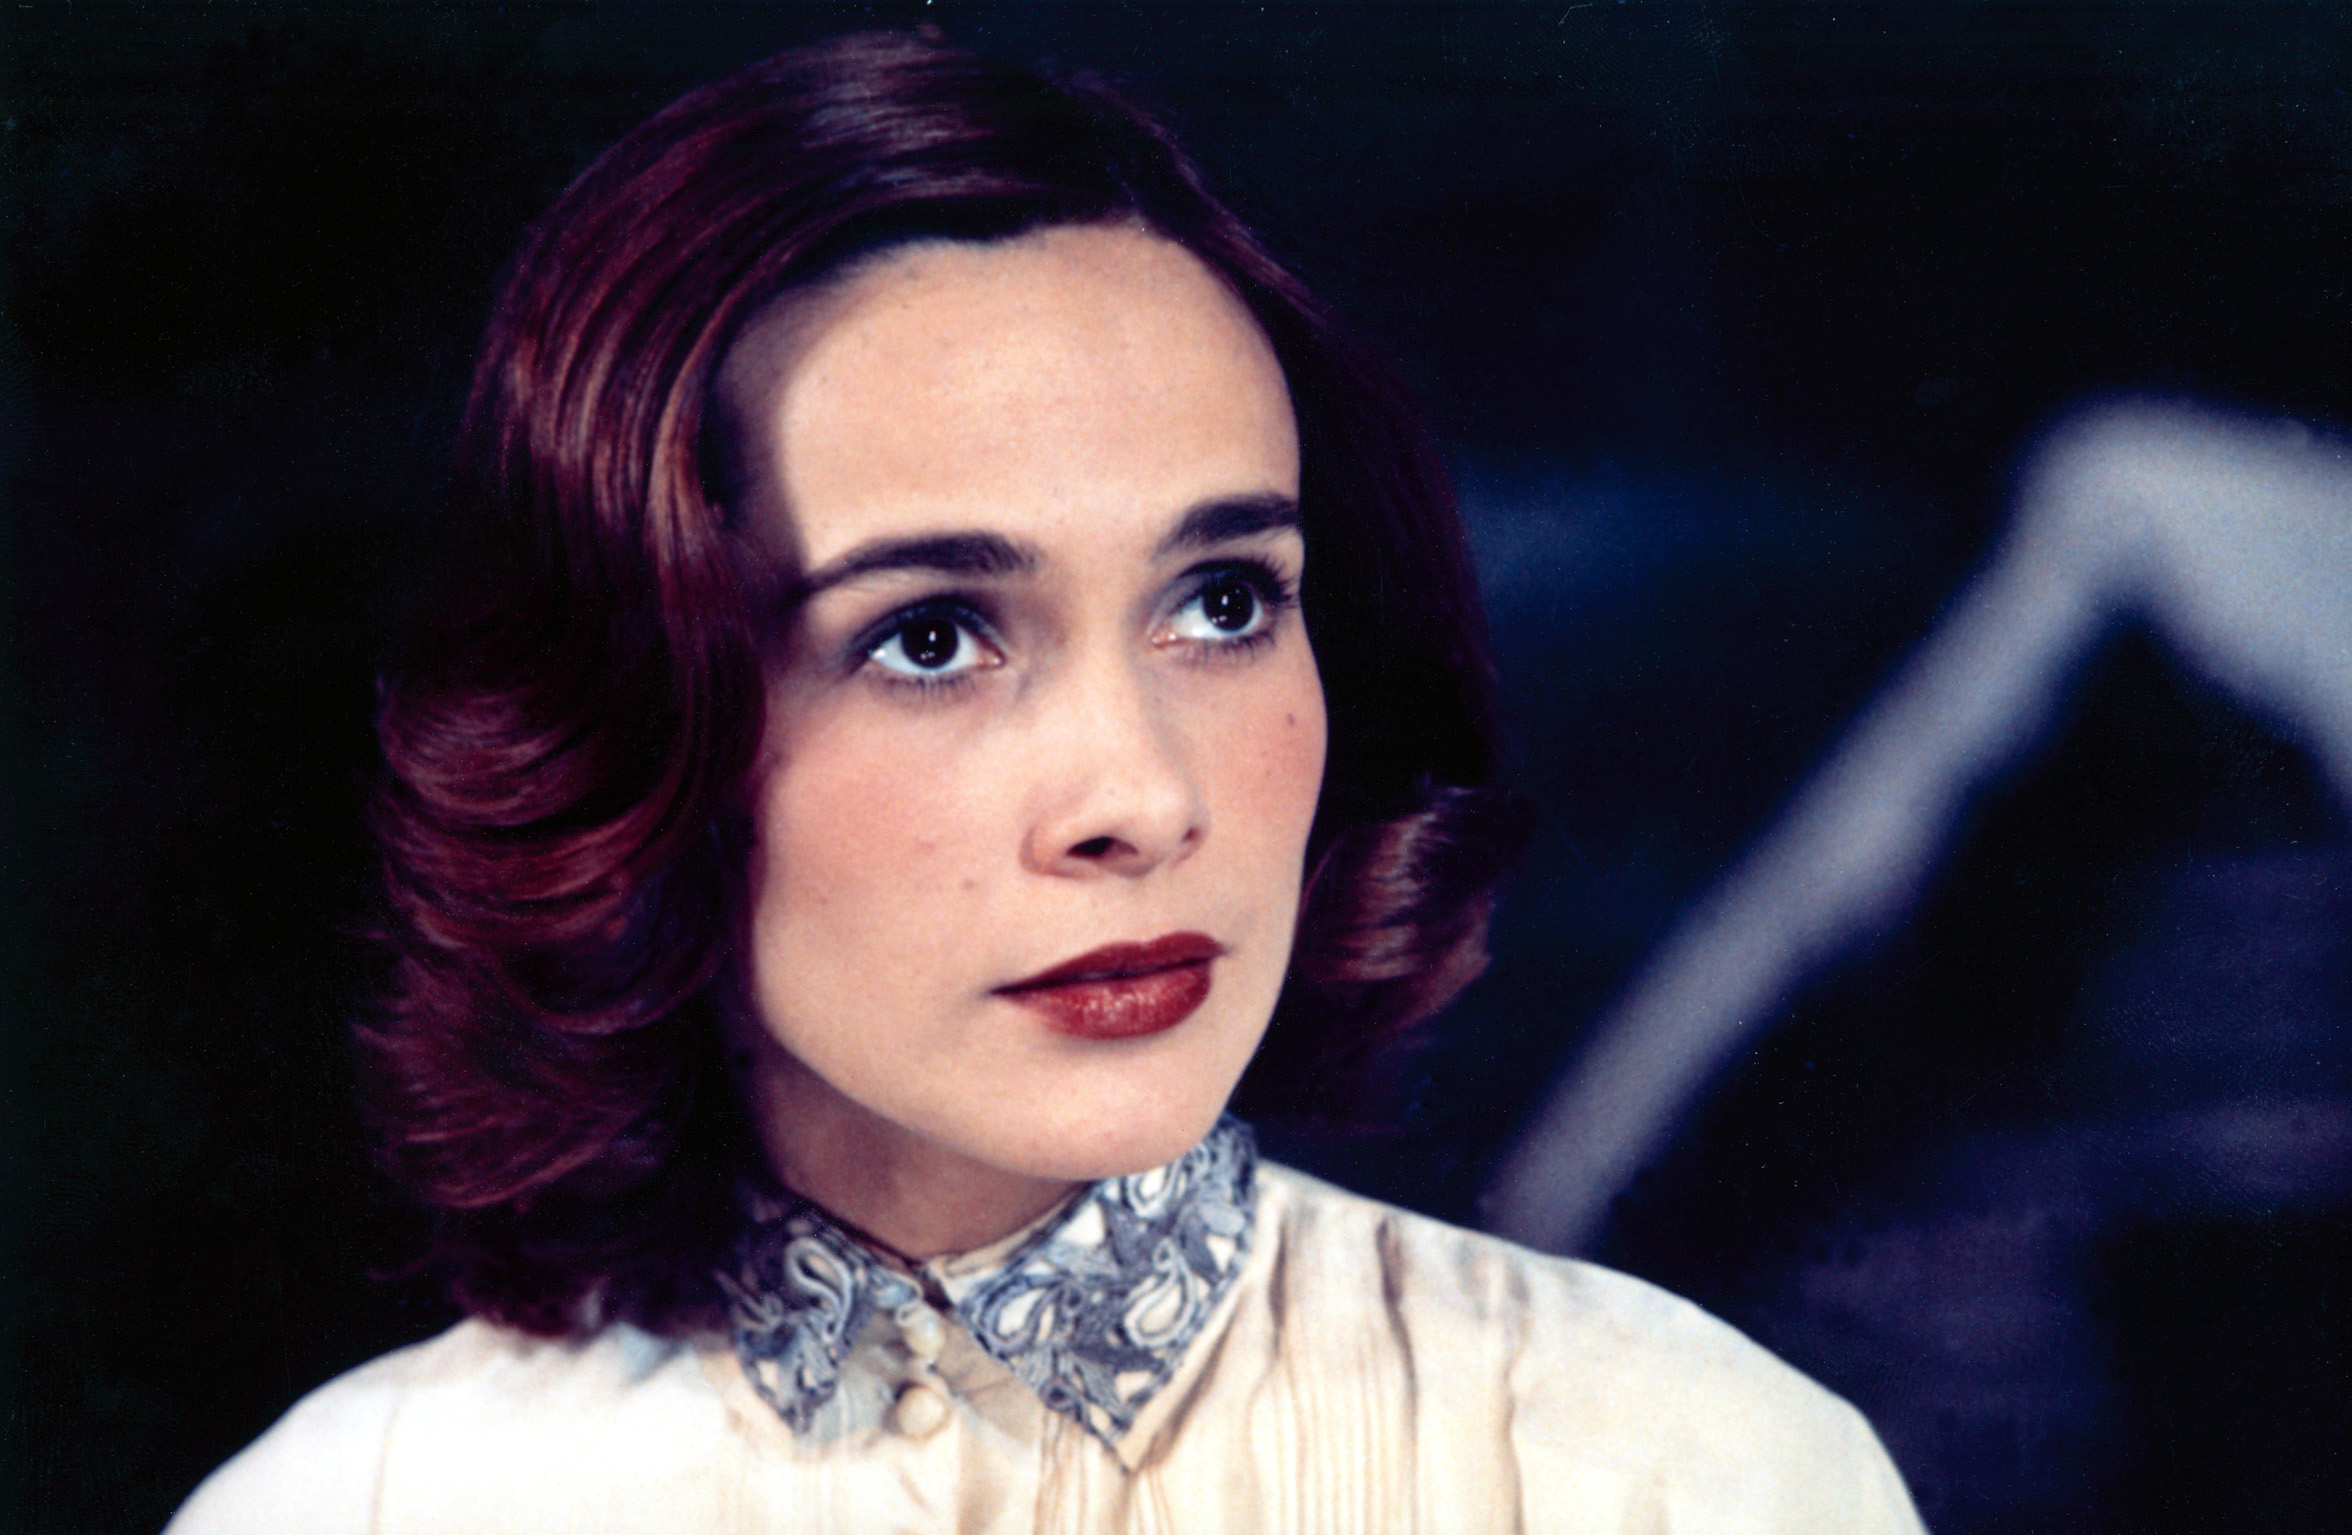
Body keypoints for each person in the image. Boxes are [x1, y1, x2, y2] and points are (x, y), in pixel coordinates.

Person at [168, 30, 1924, 1534]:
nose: (1142, 798)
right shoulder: (356, 1509)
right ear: (628, 727)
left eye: (1222, 603)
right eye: (932, 637)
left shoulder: (1681, 1478)